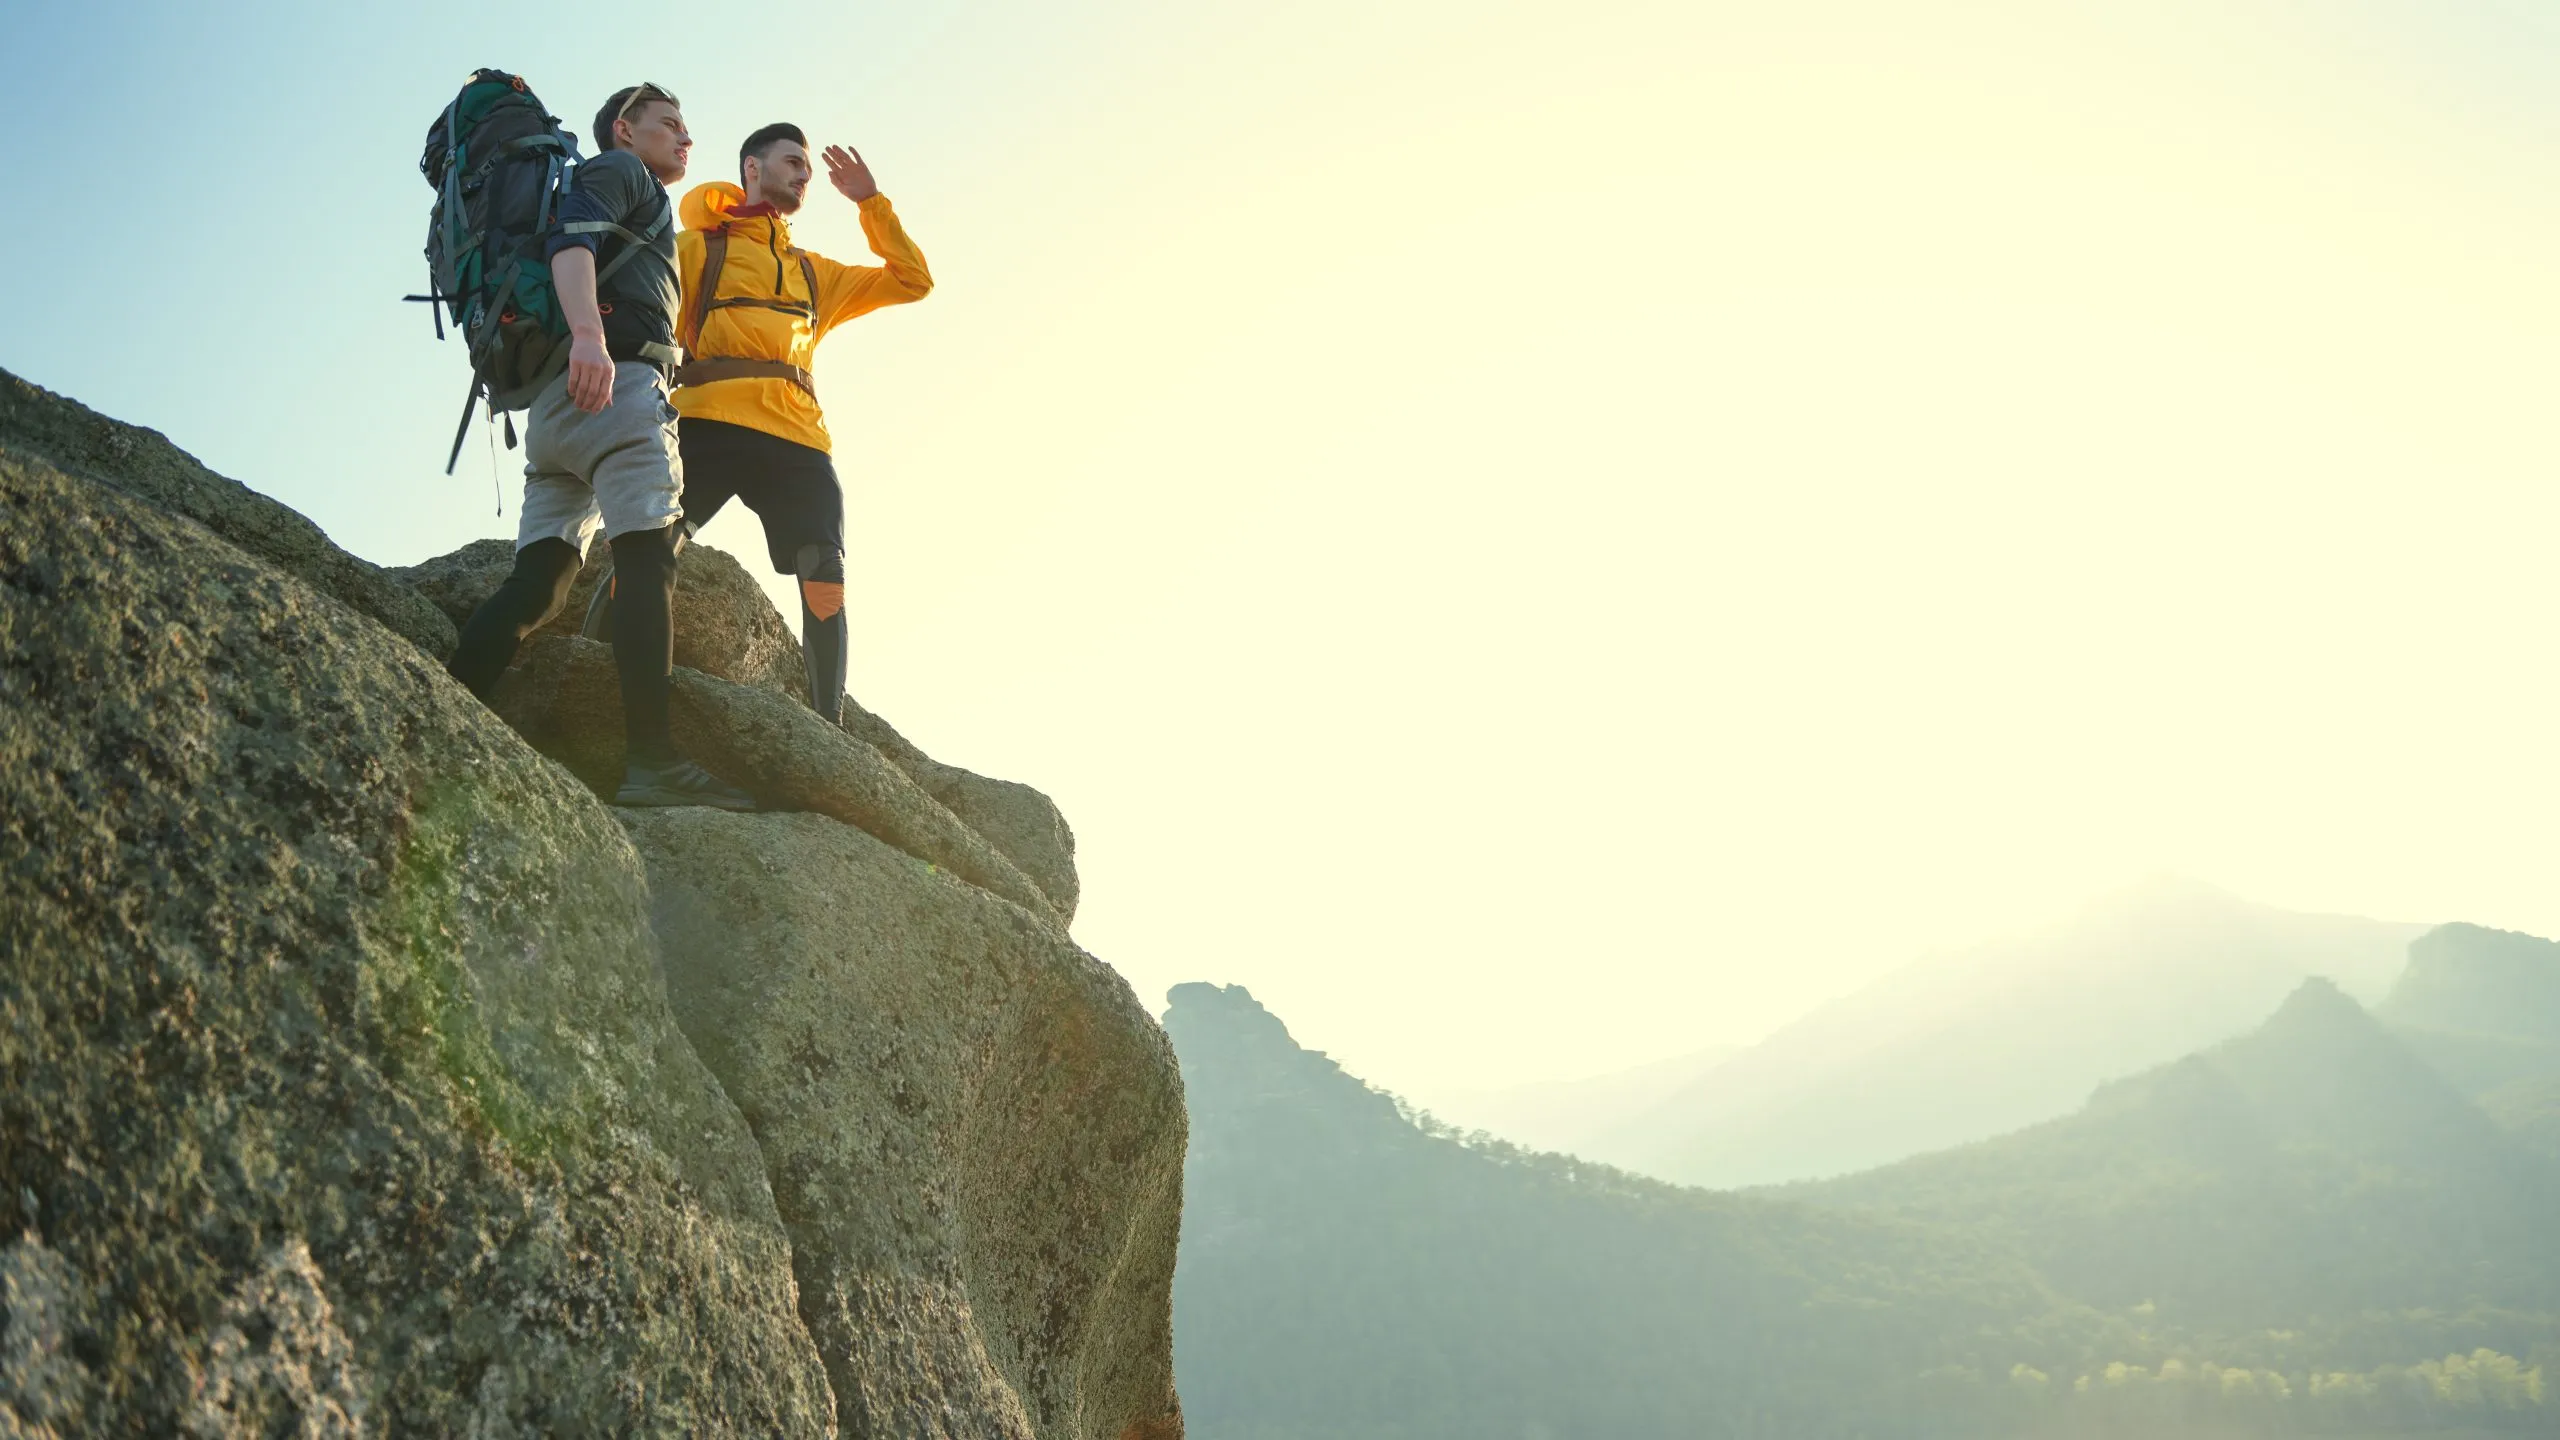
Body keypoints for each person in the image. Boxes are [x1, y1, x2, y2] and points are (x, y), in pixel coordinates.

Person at [445, 83, 755, 811]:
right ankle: (653, 761)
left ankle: (447, 701)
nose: (685, 140)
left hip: (558, 413)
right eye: (669, 124)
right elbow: (572, 245)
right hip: (610, 389)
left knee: (542, 580)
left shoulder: (612, 181)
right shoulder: (622, 173)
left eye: (687, 127)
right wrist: (589, 335)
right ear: (624, 128)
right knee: (648, 556)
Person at [586, 122, 932, 724]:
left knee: (825, 567)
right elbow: (632, 308)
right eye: (793, 161)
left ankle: (830, 729)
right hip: (707, 420)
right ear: (752, 167)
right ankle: (583, 666)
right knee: (650, 551)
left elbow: (913, 281)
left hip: (799, 438)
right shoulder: (697, 247)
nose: (805, 173)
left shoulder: (813, 272)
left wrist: (870, 204)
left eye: (806, 166)